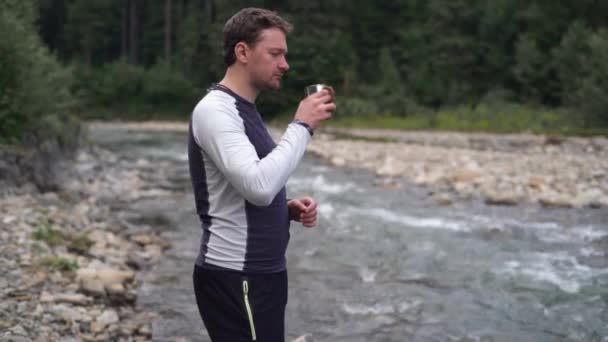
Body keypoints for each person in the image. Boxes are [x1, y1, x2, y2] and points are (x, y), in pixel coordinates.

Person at [188, 7, 336, 342]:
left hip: (259, 275)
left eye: (285, 55)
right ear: (242, 52)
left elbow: (247, 189)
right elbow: (259, 187)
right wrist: (301, 126)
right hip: (236, 276)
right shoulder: (215, 111)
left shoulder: (245, 110)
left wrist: (283, 211)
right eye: (275, 54)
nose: (285, 64)